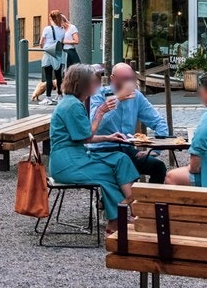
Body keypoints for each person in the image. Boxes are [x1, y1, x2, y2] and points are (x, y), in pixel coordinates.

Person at [46, 63, 141, 222]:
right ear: (82, 84)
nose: (96, 83)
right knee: (108, 174)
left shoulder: (71, 102)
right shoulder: (73, 106)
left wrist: (108, 138)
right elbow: (87, 137)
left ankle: (130, 207)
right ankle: (121, 217)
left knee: (121, 159)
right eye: (93, 81)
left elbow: (81, 137)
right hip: (67, 163)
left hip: (75, 156)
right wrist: (100, 112)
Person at [90, 62, 169, 184]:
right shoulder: (99, 95)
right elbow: (97, 126)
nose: (129, 82)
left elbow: (158, 121)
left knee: (158, 167)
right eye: (125, 79)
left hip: (127, 148)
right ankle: (119, 201)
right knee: (126, 166)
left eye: (131, 78)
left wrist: (155, 150)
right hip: (102, 149)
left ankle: (147, 201)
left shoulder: (136, 96)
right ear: (113, 79)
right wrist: (118, 99)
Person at [32, 11, 69, 105]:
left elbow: (41, 43)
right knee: (58, 77)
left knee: (48, 77)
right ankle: (60, 95)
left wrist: (43, 46)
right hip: (58, 53)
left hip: (48, 53)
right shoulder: (62, 29)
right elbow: (63, 40)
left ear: (51, 19)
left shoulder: (47, 29)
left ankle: (48, 97)